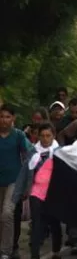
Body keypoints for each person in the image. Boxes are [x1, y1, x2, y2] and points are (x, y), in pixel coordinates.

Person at [13, 123, 61, 259]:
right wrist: (20, 192)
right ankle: (35, 255)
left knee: (54, 223)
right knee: (37, 225)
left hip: (54, 194)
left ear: (54, 136)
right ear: (38, 136)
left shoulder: (60, 152)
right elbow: (24, 173)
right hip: (36, 192)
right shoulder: (33, 152)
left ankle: (56, 251)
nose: (45, 139)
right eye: (42, 136)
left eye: (48, 136)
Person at [0, 104, 33, 259]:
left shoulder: (19, 136)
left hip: (14, 181)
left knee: (7, 214)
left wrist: (27, 184)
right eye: (1, 116)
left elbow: (30, 157)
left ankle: (6, 251)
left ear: (13, 118)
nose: (4, 120)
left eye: (7, 117)